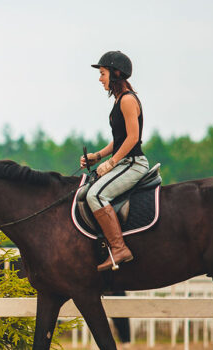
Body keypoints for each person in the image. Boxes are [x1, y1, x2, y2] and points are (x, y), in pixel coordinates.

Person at [80, 51, 149, 272]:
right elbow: (118, 141)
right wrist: (98, 156)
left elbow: (133, 138)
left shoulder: (128, 100)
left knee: (96, 195)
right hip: (124, 161)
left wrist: (111, 163)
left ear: (116, 73)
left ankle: (119, 248)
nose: (100, 79)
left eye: (102, 73)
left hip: (133, 163)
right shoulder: (120, 100)